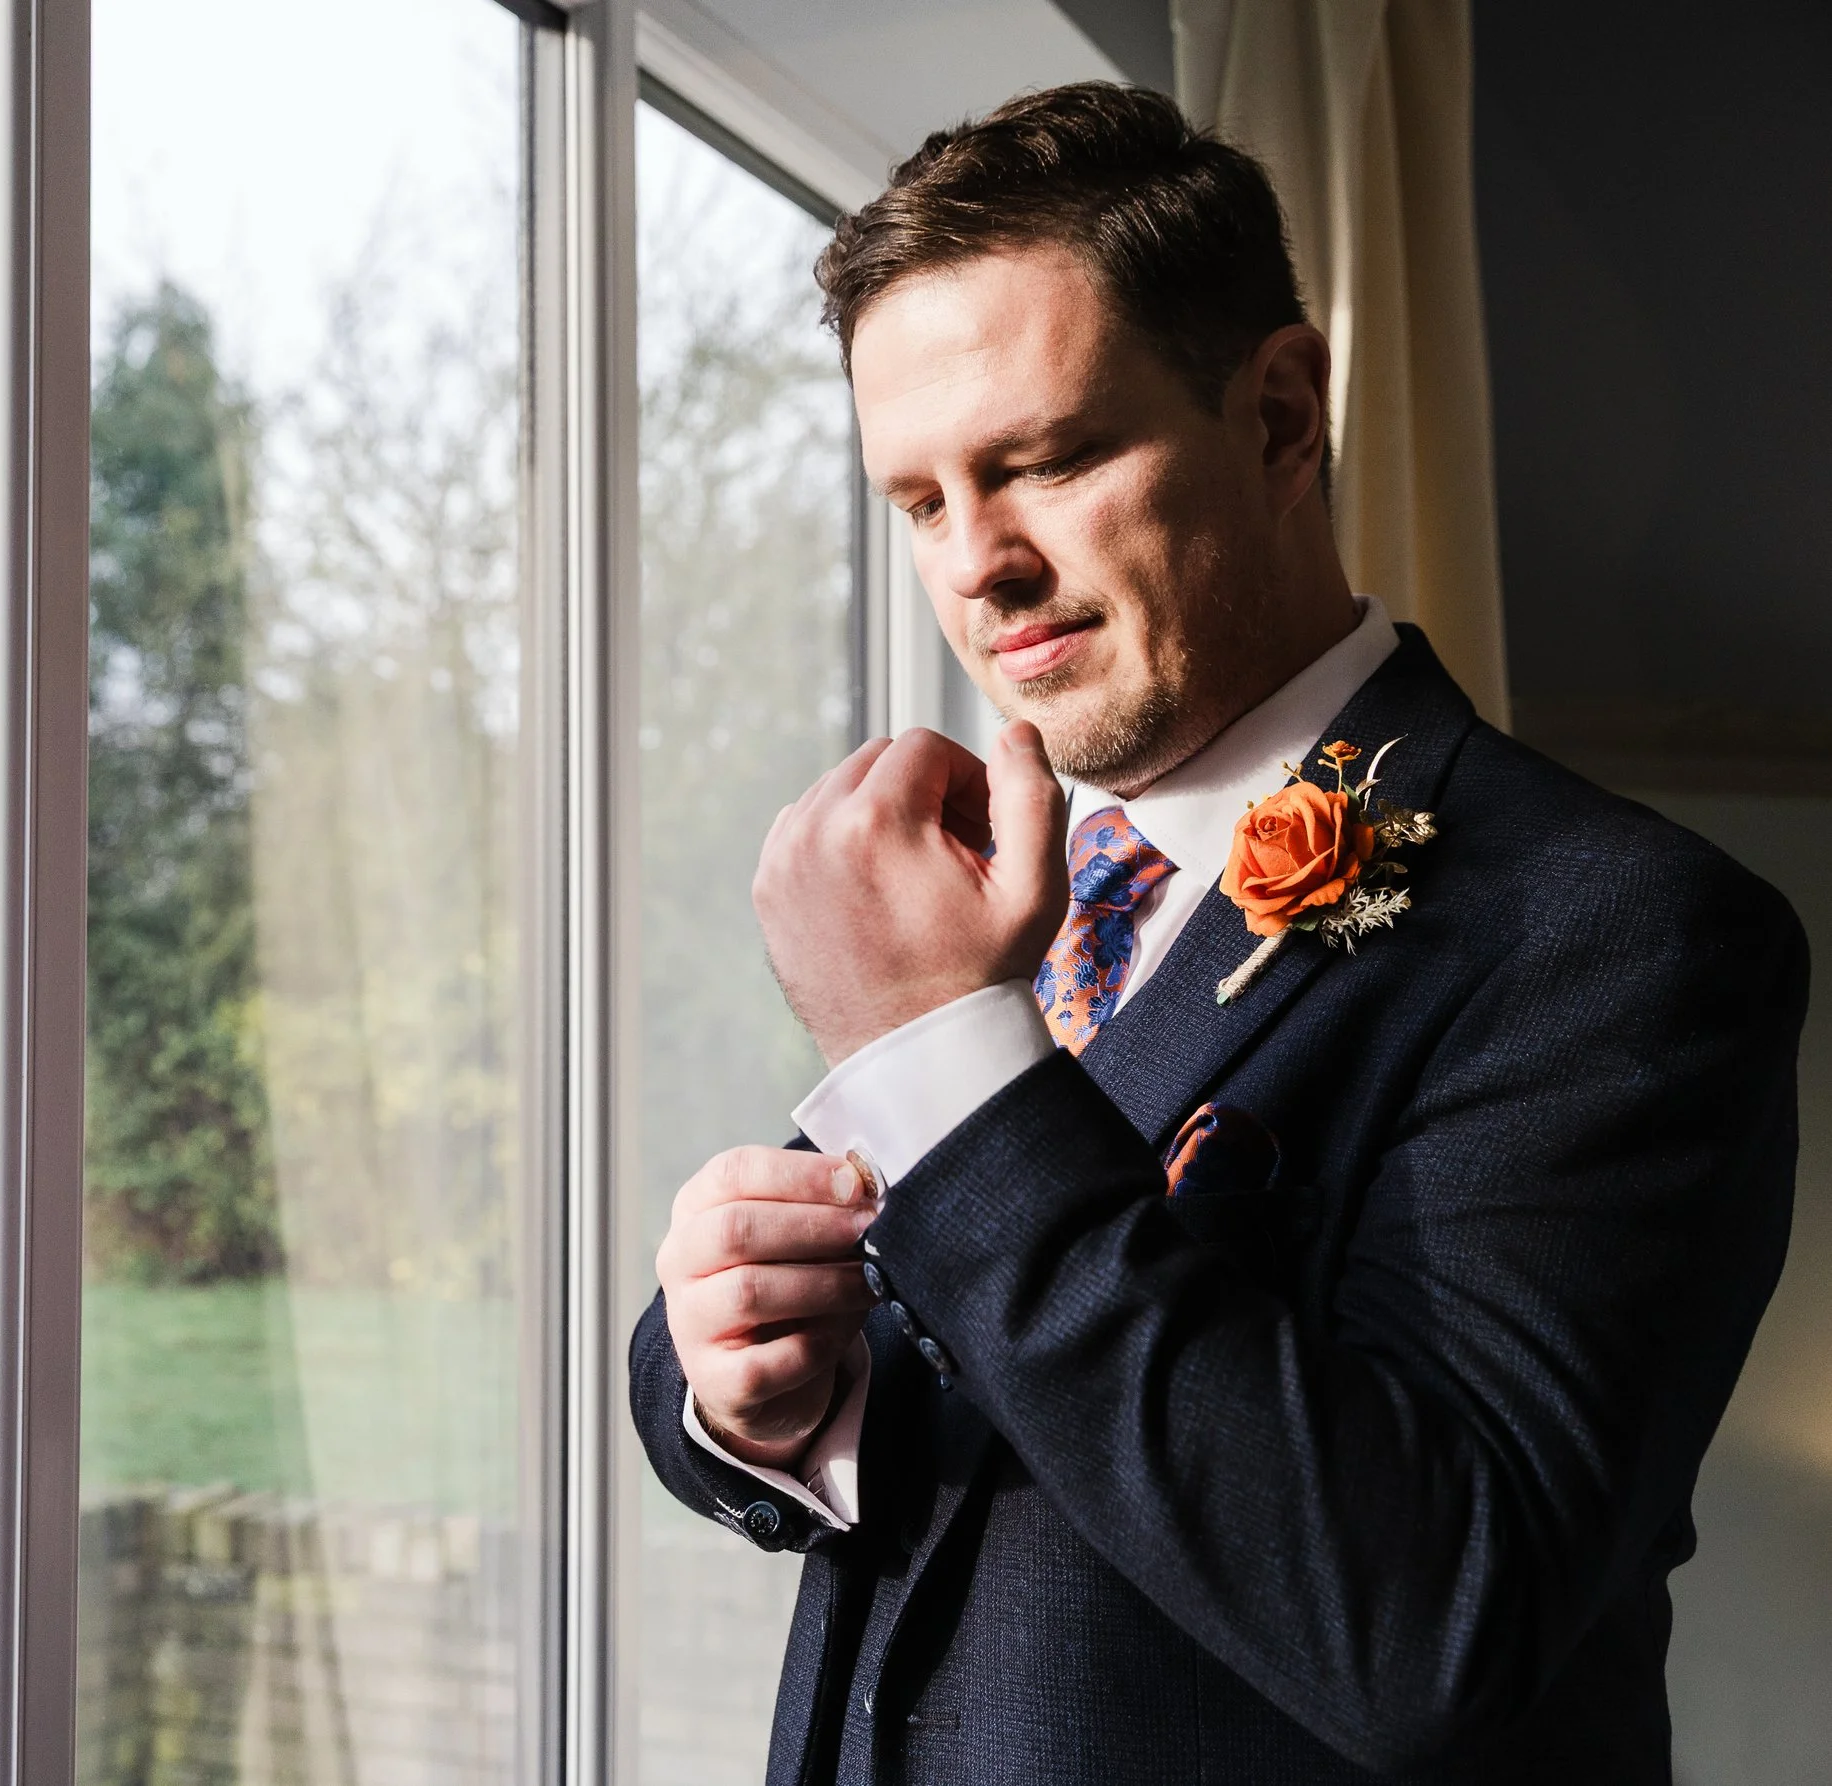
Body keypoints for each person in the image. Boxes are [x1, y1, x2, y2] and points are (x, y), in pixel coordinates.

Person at [630, 84, 1807, 1784]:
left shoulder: (1624, 936)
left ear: (1276, 417)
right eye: (920, 499)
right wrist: (732, 1382)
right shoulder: (988, 884)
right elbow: (916, 1339)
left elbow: (1435, 1626)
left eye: (1041, 462)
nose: (980, 569)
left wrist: (943, 1062)